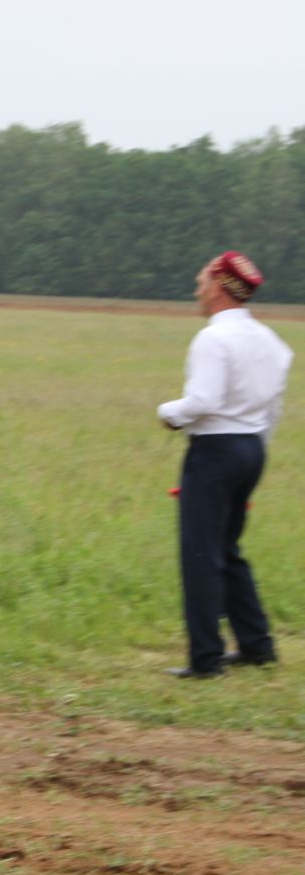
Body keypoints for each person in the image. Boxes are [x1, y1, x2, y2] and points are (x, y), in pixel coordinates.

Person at [155, 251, 292, 677]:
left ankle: (205, 660)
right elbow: (273, 409)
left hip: (215, 452)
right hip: (252, 449)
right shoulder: (272, 342)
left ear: (217, 287)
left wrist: (168, 413)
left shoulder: (213, 339)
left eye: (201, 281)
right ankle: (257, 646)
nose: (197, 289)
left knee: (201, 555)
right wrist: (252, 451)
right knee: (227, 549)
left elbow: (205, 401)